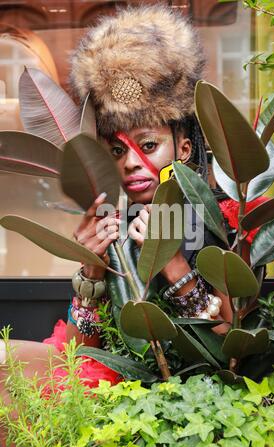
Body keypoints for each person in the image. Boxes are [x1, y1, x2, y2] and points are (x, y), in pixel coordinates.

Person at [0, 4, 232, 419]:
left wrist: (173, 265)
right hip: (116, 400)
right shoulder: (113, 225)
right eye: (117, 150)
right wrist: (92, 271)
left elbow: (232, 351)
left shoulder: (219, 219)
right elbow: (77, 357)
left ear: (182, 148)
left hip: (195, 405)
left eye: (147, 147)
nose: (129, 164)